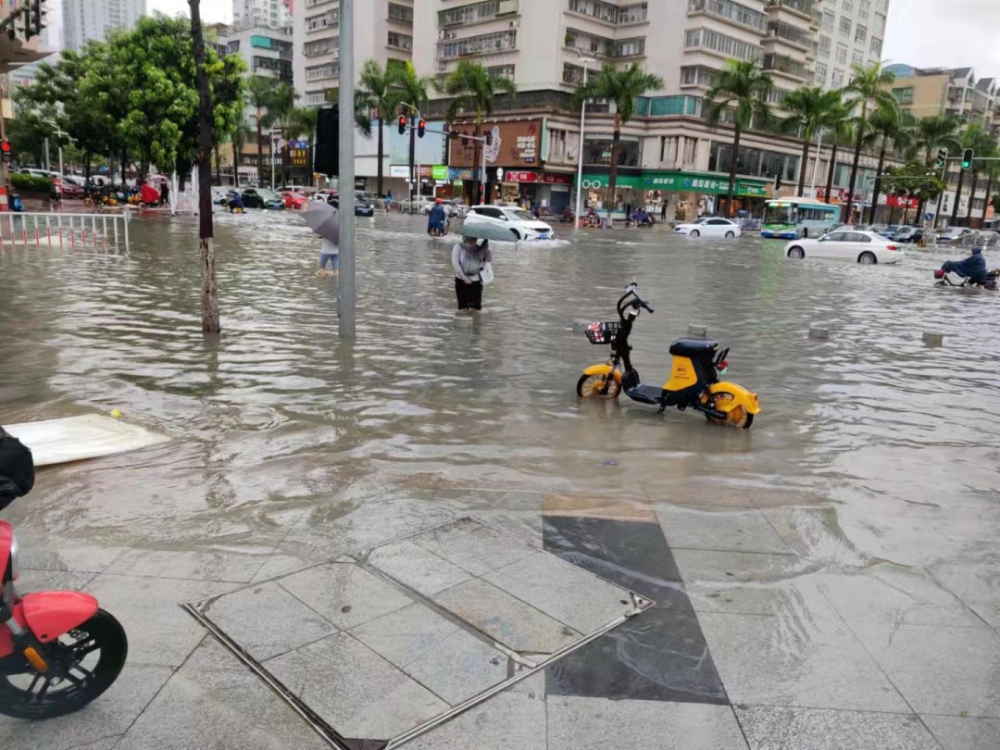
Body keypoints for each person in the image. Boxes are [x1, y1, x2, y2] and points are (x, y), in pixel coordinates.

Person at [452, 236, 493, 312]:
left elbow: (489, 260)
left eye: (473, 238)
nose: (471, 240)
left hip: (476, 281)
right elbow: (455, 264)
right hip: (461, 280)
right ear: (465, 238)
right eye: (469, 238)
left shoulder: (479, 248)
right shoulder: (458, 247)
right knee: (463, 308)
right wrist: (465, 278)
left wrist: (486, 250)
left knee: (476, 309)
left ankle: (475, 323)